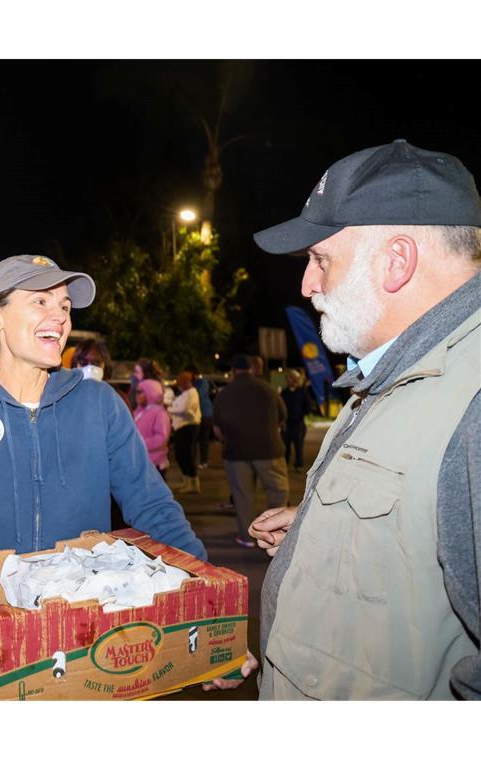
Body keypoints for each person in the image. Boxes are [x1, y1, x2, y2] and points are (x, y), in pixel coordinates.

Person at [0, 255, 209, 700]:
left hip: (91, 650)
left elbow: (154, 508)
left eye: (65, 306)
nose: (59, 317)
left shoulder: (98, 403)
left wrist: (214, 599)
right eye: (40, 301)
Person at [248, 139, 481, 699]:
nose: (307, 285)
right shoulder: (390, 372)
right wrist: (324, 528)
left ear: (397, 260)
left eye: (321, 259)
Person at [213, 354, 288, 548]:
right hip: (269, 451)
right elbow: (282, 415)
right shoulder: (267, 389)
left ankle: (248, 537)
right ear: (252, 369)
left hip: (236, 453)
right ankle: (274, 531)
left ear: (233, 371)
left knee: (243, 496)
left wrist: (227, 439)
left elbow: (217, 428)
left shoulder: (225, 393)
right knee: (277, 492)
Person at [168, 370, 202, 493]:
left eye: (181, 382)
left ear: (187, 382)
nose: (179, 385)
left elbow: (183, 409)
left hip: (187, 427)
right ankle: (188, 482)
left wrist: (169, 409)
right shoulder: (185, 394)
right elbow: (179, 407)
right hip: (182, 427)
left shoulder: (191, 393)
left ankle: (192, 483)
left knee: (186, 455)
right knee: (182, 455)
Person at [133, 379, 171, 476]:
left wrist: (139, 444)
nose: (137, 395)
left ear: (151, 392)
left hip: (154, 463)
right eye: (136, 392)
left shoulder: (160, 413)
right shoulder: (139, 412)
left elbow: (161, 438)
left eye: (140, 392)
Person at [279, 369, 313, 471]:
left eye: (289, 378)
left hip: (298, 424)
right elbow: (280, 407)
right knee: (286, 447)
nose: (287, 380)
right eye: (287, 378)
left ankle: (298, 465)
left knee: (298, 446)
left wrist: (301, 413)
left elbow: (309, 406)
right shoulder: (284, 393)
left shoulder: (302, 392)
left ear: (294, 380)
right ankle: (285, 464)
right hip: (286, 424)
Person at [187, 364, 215, 469]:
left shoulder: (202, 382)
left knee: (203, 439)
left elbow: (199, 396)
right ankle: (195, 462)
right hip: (199, 414)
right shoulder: (198, 382)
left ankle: (203, 461)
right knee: (195, 439)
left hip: (204, 414)